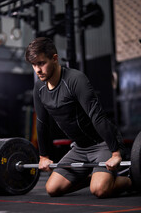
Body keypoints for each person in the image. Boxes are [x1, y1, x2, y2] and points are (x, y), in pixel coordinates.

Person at [25, 37, 132, 198]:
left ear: (54, 58)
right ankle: (97, 177)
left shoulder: (75, 79)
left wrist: (116, 153)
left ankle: (134, 180)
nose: (37, 70)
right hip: (80, 148)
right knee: (52, 188)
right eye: (33, 65)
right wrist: (43, 156)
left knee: (100, 190)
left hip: (102, 144)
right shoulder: (39, 88)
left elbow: (97, 117)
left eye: (41, 63)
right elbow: (42, 123)